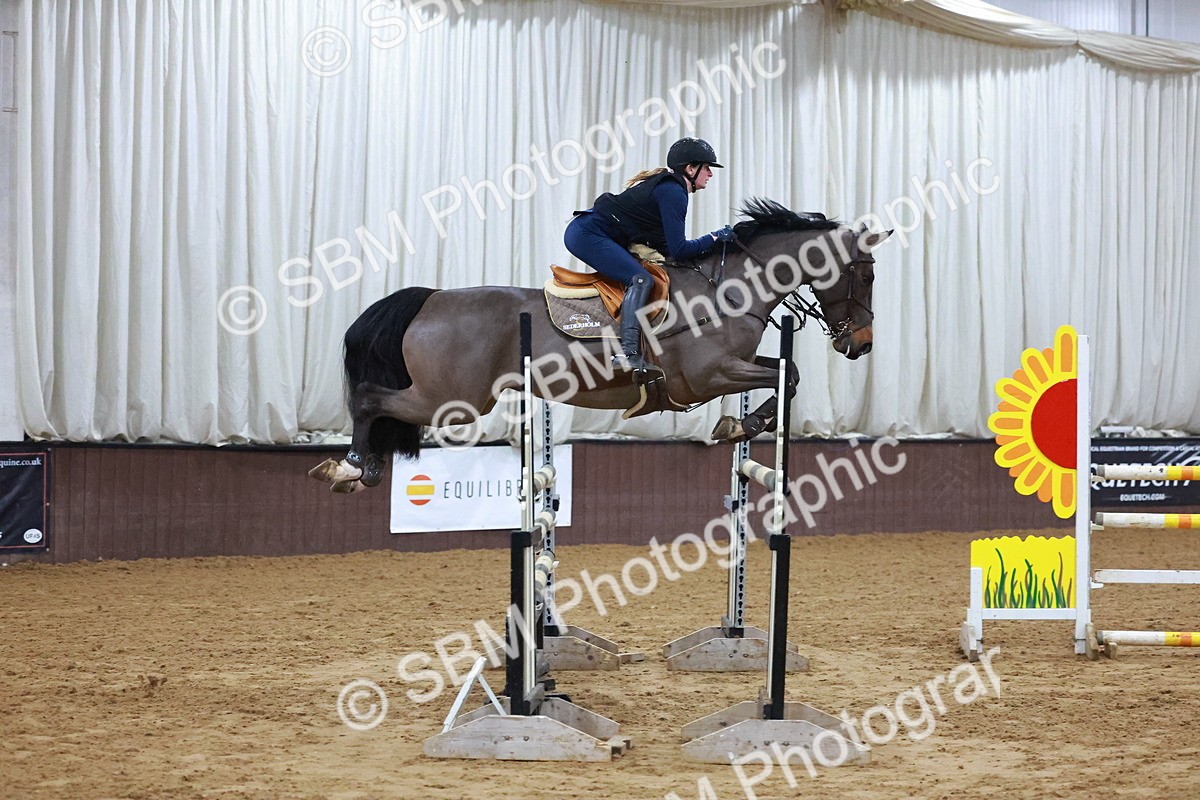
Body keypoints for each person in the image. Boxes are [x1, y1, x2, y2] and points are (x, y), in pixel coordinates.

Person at [564, 137, 735, 383]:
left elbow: (667, 248)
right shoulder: (674, 192)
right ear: (690, 169)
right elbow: (679, 249)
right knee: (641, 279)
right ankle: (627, 354)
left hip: (592, 232)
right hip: (586, 234)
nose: (710, 174)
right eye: (707, 167)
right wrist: (715, 237)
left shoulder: (671, 188)